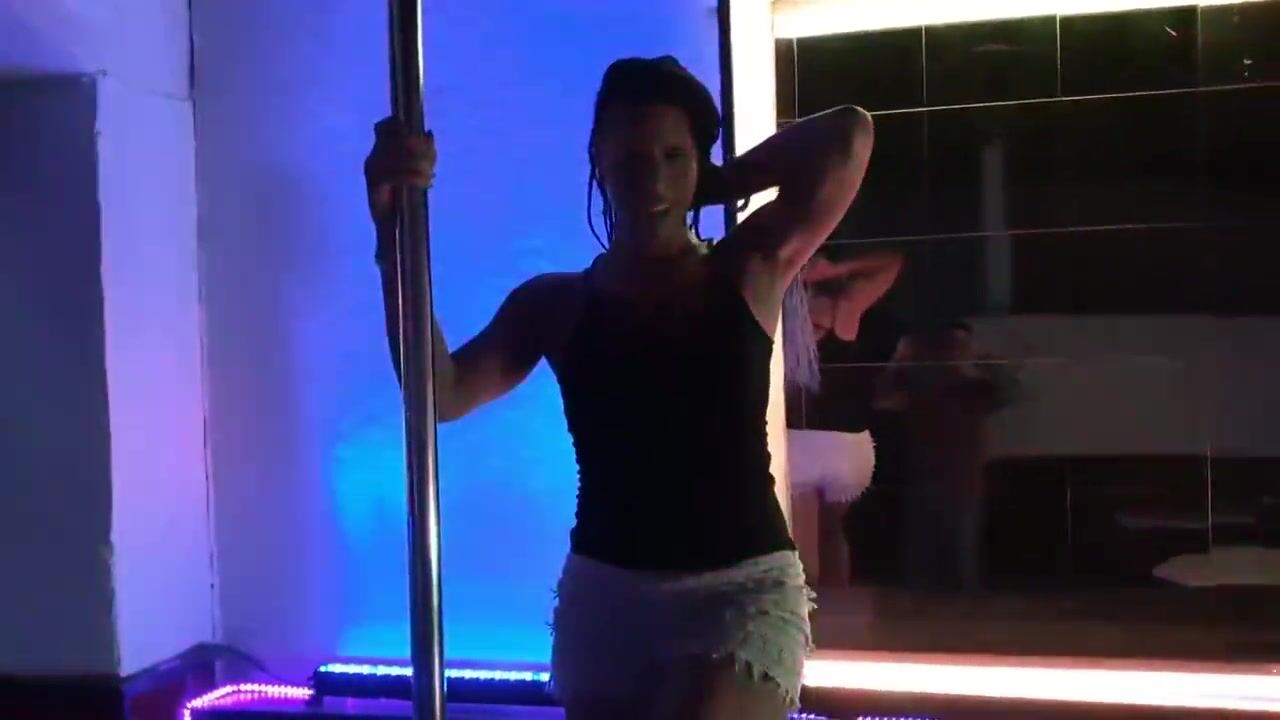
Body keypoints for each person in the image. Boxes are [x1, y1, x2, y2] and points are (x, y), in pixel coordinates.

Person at [364, 56, 871, 720]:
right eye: (631, 160)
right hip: (607, 595)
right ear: (598, 162)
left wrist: (719, 180)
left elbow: (849, 135)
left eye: (672, 157)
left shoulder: (746, 269)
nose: (652, 182)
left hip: (738, 590)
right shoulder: (557, 303)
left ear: (698, 163)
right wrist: (392, 237)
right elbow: (439, 394)